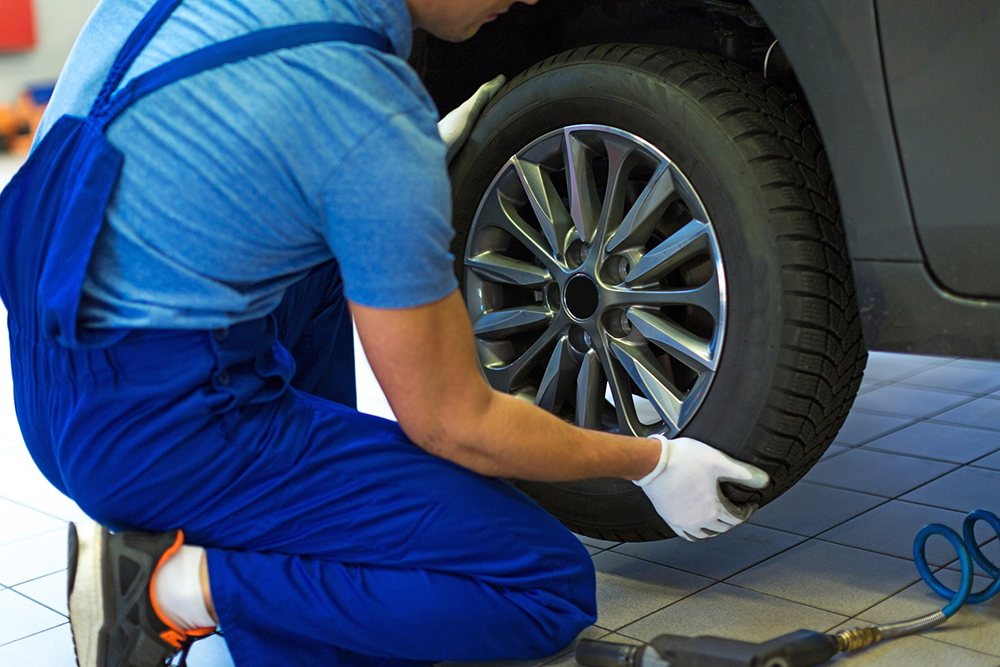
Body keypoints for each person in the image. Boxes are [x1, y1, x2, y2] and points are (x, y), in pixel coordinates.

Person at [0, 0, 769, 666]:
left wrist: (385, 189)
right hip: (160, 434)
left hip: (51, 376)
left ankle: (289, 540)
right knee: (544, 583)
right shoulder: (364, 107)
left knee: (324, 266)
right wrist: (649, 461)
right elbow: (453, 423)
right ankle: (169, 587)